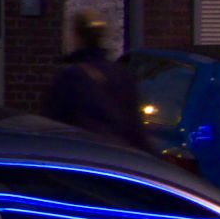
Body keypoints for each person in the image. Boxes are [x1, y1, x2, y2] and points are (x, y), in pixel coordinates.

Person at [41, 10, 150, 151]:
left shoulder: (70, 77)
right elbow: (135, 128)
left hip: (84, 156)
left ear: (76, 36)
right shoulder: (121, 74)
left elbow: (53, 125)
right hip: (119, 159)